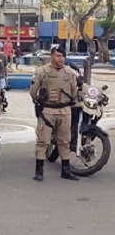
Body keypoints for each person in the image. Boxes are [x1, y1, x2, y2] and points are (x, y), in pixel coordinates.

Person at [30, 46, 79, 181]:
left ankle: (66, 170)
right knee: (43, 141)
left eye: (63, 56)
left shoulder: (70, 73)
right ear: (51, 56)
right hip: (48, 111)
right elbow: (33, 91)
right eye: (58, 56)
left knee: (64, 141)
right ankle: (39, 171)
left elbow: (74, 92)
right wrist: (38, 101)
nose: (61, 58)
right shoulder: (42, 71)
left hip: (64, 110)